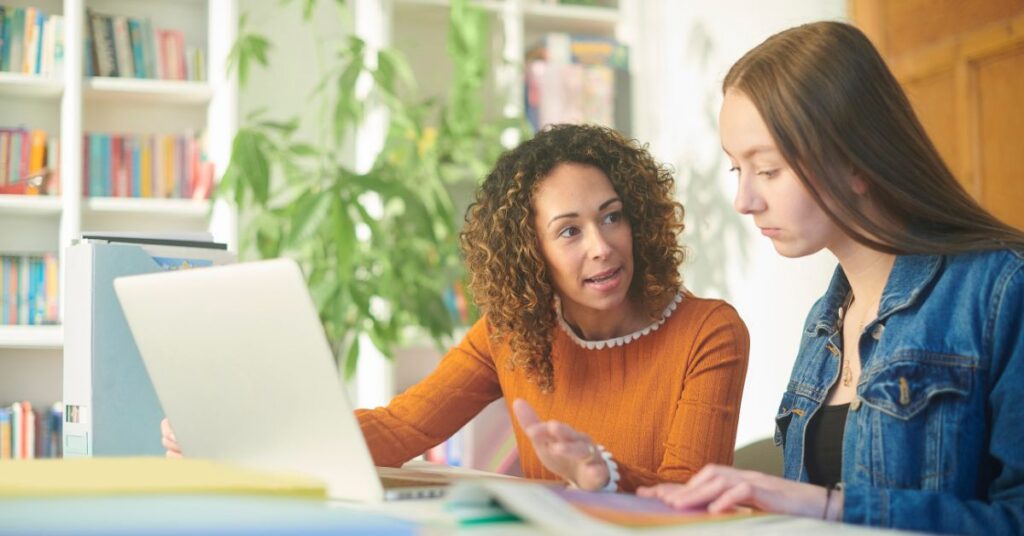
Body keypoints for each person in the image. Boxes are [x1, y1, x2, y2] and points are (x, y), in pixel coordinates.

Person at [163, 123, 750, 492]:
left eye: (612, 216)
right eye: (569, 232)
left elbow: (689, 500)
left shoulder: (707, 332)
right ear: (531, 252)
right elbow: (401, 428)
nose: (601, 246)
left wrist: (603, 476)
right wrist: (247, 438)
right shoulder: (512, 333)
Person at [638, 21, 1024, 534]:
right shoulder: (824, 327)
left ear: (857, 161)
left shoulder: (1000, 290)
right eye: (737, 169)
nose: (744, 201)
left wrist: (829, 507)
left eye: (768, 169)